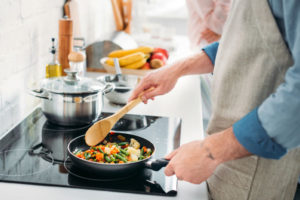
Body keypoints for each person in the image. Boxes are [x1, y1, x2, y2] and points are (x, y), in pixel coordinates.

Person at [129, 0, 300, 199]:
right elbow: (249, 40)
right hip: (230, 149)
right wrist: (177, 69)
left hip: (261, 161)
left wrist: (210, 151)